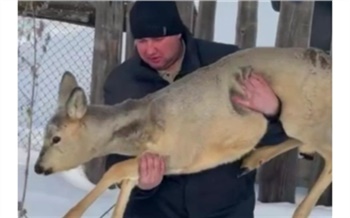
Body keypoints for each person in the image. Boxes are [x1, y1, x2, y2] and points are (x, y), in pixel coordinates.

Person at [103, 1, 288, 218]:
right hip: (154, 210)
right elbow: (115, 157)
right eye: (142, 40)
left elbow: (275, 138)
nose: (150, 49)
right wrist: (143, 185)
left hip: (224, 209)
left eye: (158, 39)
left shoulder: (227, 65)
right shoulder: (122, 83)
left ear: (178, 33)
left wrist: (273, 111)